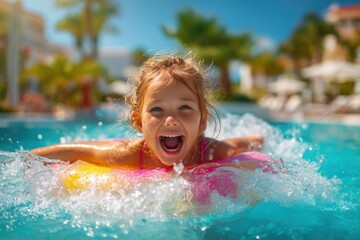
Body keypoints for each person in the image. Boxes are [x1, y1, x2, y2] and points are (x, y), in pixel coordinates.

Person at [31, 55, 265, 171]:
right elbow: (72, 150)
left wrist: (259, 140)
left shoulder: (213, 152)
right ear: (138, 122)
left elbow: (246, 145)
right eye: (156, 110)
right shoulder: (128, 155)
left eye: (185, 107)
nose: (171, 120)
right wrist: (27, 159)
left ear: (203, 120)